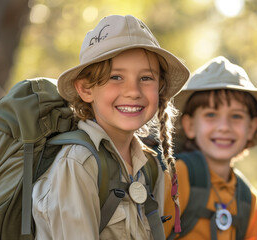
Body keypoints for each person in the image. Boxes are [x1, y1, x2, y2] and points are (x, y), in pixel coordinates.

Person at [31, 14, 189, 239]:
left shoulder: (150, 167)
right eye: (116, 77)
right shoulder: (78, 163)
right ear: (86, 89)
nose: (133, 91)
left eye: (146, 78)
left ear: (160, 87)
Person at [163, 56, 257, 240]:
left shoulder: (247, 199)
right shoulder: (178, 176)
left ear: (252, 127)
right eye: (211, 114)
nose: (224, 126)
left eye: (236, 116)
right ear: (190, 125)